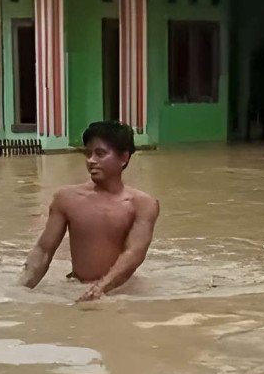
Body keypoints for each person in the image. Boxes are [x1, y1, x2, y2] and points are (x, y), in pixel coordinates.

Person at [19, 121, 160, 302]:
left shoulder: (143, 204)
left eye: (100, 154)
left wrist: (100, 288)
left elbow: (133, 254)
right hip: (78, 285)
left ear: (124, 158)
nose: (91, 160)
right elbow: (44, 250)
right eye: (88, 154)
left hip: (122, 291)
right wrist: (19, 290)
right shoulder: (66, 198)